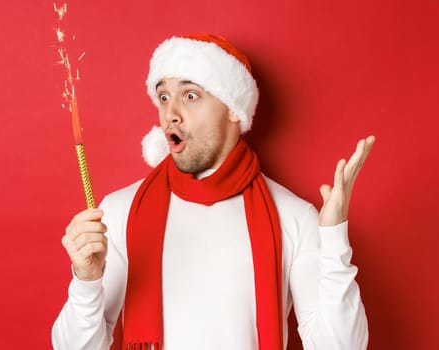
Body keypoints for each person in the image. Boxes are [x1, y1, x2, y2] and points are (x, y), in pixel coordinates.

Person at [51, 34, 373, 350]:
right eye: (164, 97)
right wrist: (86, 279)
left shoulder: (293, 216)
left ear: (234, 109)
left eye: (190, 96)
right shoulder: (121, 212)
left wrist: (333, 237)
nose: (170, 113)